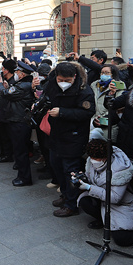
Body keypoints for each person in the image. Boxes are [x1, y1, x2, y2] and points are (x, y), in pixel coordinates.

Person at [41, 62, 95, 217]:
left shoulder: (84, 90)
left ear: (74, 77)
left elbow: (87, 112)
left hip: (74, 136)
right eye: (60, 79)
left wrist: (63, 112)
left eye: (68, 80)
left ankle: (72, 204)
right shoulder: (53, 84)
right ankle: (65, 195)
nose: (63, 83)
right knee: (56, 166)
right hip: (56, 134)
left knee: (70, 170)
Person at [76, 139, 133, 246]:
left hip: (121, 204)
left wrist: (89, 188)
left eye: (96, 159)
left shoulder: (120, 169)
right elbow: (91, 177)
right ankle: (103, 221)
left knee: (121, 239)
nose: (93, 161)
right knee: (85, 201)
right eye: (91, 158)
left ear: (106, 157)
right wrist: (81, 179)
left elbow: (115, 198)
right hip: (103, 199)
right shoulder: (90, 162)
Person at [0, 61, 35, 186]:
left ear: (22, 74)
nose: (16, 74)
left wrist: (1, 86)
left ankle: (25, 178)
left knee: (20, 151)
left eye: (17, 72)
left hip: (19, 121)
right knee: (19, 150)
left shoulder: (23, 86)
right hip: (18, 120)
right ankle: (22, 175)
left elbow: (7, 94)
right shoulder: (22, 84)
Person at [89, 64, 120, 142]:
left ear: (113, 75)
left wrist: (102, 119)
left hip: (108, 125)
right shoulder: (94, 85)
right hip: (93, 123)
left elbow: (117, 107)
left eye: (107, 73)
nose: (103, 75)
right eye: (102, 72)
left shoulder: (118, 87)